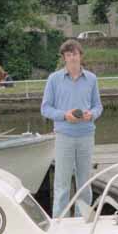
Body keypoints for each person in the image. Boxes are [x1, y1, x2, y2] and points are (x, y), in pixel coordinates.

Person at [41, 39, 103, 217]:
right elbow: (45, 108)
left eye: (75, 54)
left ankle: (82, 220)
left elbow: (98, 106)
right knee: (62, 184)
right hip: (64, 136)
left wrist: (92, 114)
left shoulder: (91, 79)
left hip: (86, 135)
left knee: (85, 183)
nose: (72, 58)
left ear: (80, 55)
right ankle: (59, 221)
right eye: (68, 55)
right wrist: (64, 115)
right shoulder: (54, 79)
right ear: (64, 58)